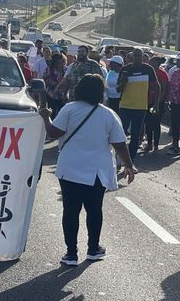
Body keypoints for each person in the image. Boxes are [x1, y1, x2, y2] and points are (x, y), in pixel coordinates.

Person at [39, 74, 134, 266]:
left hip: (69, 169)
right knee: (94, 210)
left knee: (71, 211)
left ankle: (71, 253)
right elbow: (120, 144)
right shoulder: (108, 114)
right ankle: (93, 248)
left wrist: (46, 117)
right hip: (97, 172)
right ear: (101, 92)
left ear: (79, 89)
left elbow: (53, 133)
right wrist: (129, 165)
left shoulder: (69, 109)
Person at [116, 48, 160, 162]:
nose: (138, 59)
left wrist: (156, 104)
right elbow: (117, 89)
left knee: (135, 136)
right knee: (122, 133)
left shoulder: (148, 69)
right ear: (131, 57)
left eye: (140, 56)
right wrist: (124, 81)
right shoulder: (125, 69)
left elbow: (157, 87)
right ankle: (119, 157)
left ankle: (130, 160)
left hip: (140, 107)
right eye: (135, 56)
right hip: (125, 106)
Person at [144, 56, 169, 152]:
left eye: (152, 61)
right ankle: (149, 144)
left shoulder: (162, 74)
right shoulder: (148, 72)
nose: (149, 62)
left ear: (156, 63)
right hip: (147, 102)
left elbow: (163, 89)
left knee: (156, 124)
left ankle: (156, 145)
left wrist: (157, 103)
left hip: (158, 104)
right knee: (148, 124)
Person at [43, 53, 67, 118]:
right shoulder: (49, 69)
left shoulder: (65, 69)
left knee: (61, 113)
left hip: (62, 95)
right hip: (51, 94)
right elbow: (44, 79)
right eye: (58, 62)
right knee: (51, 113)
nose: (60, 64)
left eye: (61, 62)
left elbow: (68, 81)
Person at [168, 62, 180, 154]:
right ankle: (175, 144)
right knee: (175, 123)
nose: (177, 62)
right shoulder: (175, 72)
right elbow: (170, 86)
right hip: (175, 103)